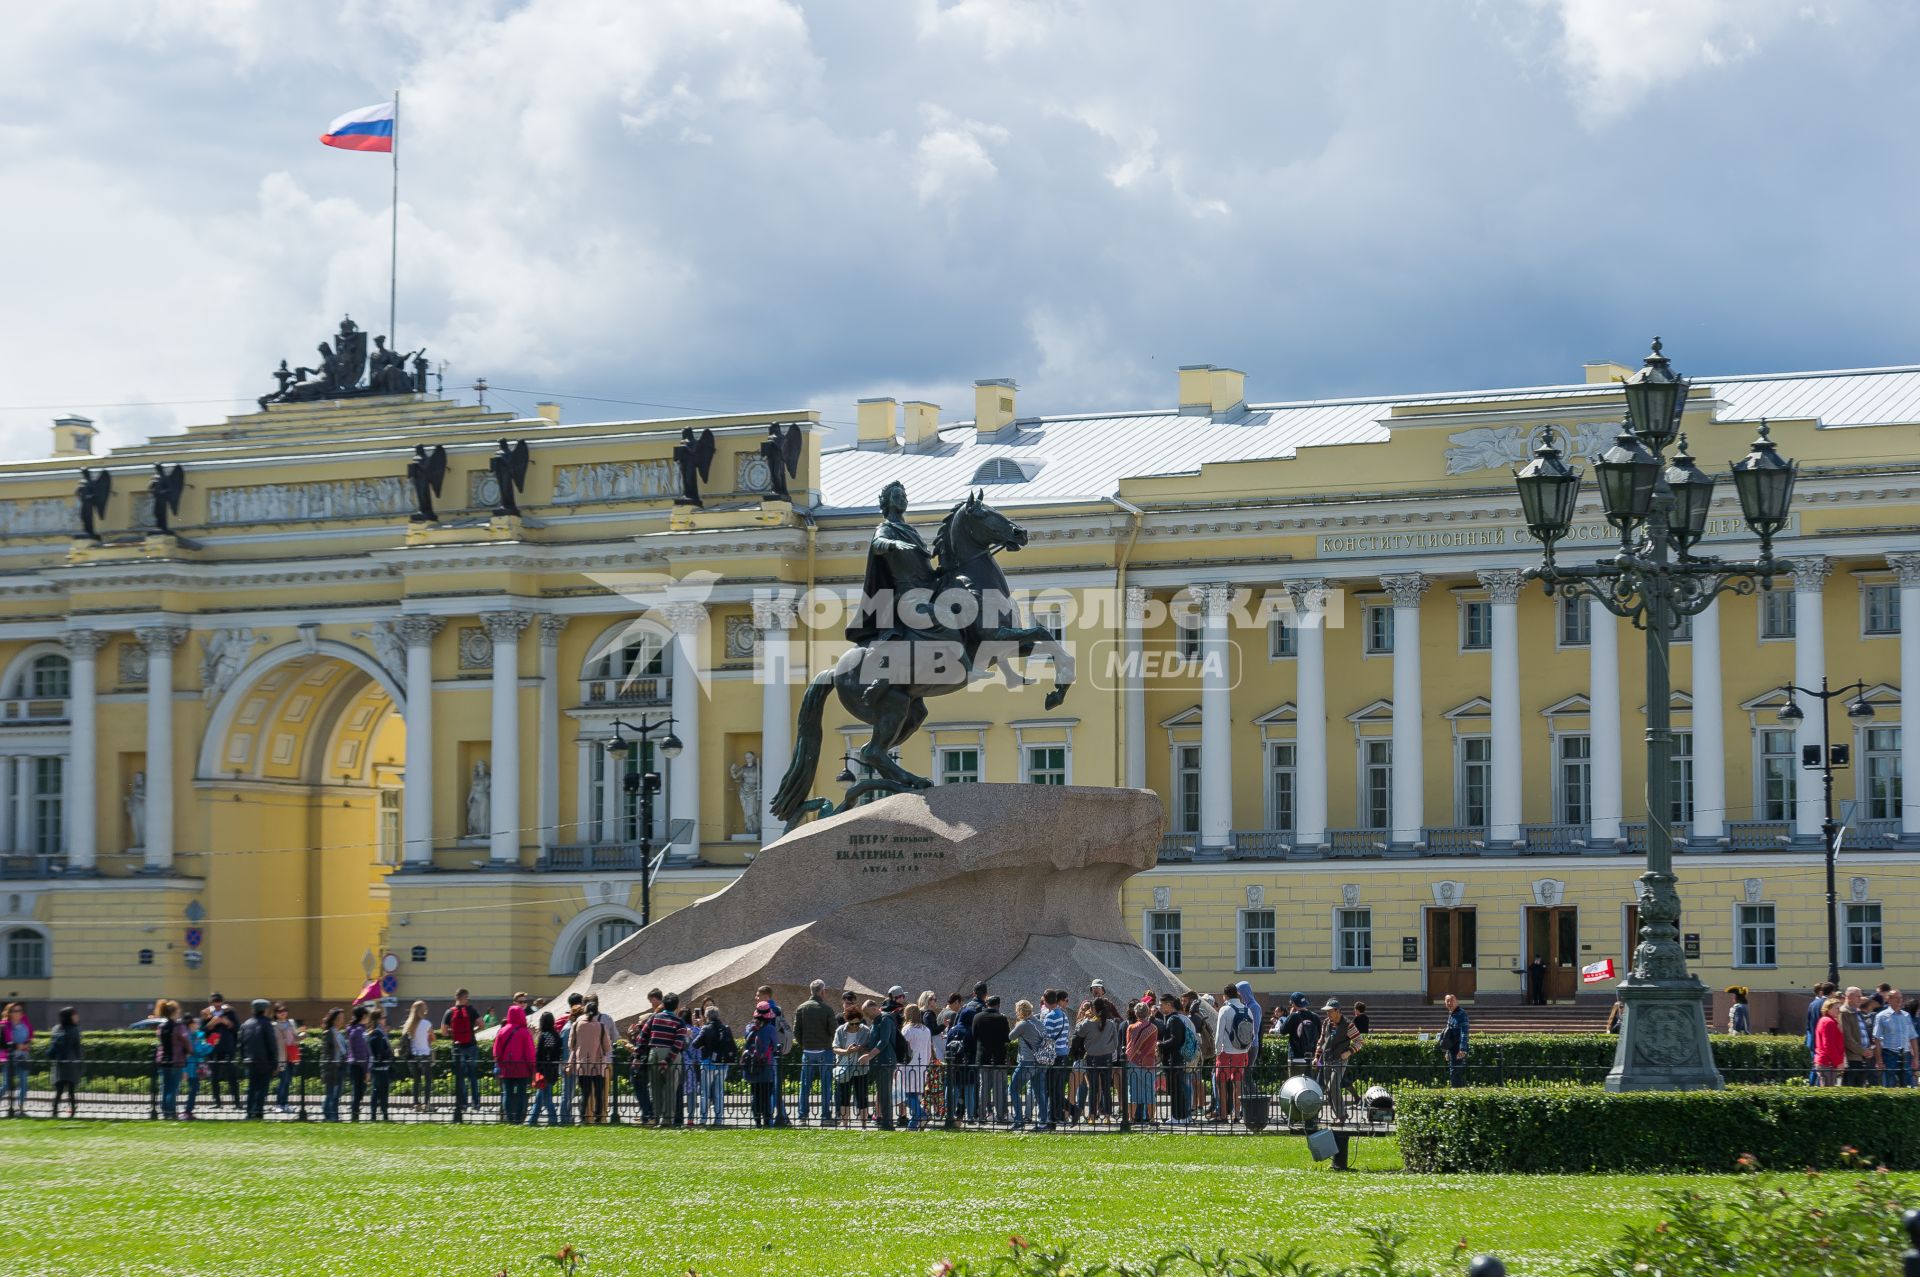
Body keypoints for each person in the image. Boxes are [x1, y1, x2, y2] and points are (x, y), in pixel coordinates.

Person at [640, 992, 690, 1127]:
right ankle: (667, 1120)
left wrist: (639, 1055)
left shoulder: (654, 1018)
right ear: (676, 1006)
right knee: (670, 1090)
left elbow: (642, 1036)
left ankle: (656, 1118)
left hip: (654, 1053)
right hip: (671, 1056)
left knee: (655, 1090)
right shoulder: (679, 1022)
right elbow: (678, 1043)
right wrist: (667, 1060)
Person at [794, 979, 837, 1126]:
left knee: (805, 1084)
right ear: (822, 992)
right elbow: (833, 1031)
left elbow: (796, 1031)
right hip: (824, 1050)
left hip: (808, 1050)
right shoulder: (827, 1010)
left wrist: (803, 1044)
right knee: (826, 1084)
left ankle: (802, 1116)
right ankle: (825, 1116)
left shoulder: (801, 1008)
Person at [1073, 997, 1123, 1124]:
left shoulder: (1088, 1023)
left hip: (1092, 1057)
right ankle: (1107, 1116)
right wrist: (1108, 1050)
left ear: (1094, 1009)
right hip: (1106, 1057)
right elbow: (1116, 1042)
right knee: (1106, 1088)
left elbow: (1078, 1031)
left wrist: (1085, 1018)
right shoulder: (1111, 1024)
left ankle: (1092, 1116)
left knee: (1093, 1089)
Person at [1214, 983, 1257, 1125]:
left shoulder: (1225, 1009)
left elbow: (1219, 1033)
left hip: (1226, 1051)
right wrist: (1245, 1048)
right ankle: (1237, 1114)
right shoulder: (1247, 1010)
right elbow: (1252, 1033)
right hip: (1242, 1051)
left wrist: (1217, 1051)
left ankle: (1223, 1115)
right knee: (1237, 1083)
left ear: (1225, 996)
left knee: (1222, 1083)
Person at [566, 997, 612, 1125]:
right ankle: (598, 1116)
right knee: (598, 1092)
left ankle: (582, 1117)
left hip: (583, 1063)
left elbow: (571, 1045)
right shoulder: (601, 1026)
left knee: (585, 1093)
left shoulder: (576, 1025)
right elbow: (607, 1046)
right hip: (598, 1063)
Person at [753, 983, 794, 1126]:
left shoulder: (766, 1010)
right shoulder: (778, 1009)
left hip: (768, 1054)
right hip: (776, 1052)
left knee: (770, 1087)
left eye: (758, 995)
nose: (756, 998)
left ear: (765, 995)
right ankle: (781, 1115)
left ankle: (770, 1117)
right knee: (775, 1086)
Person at [1313, 999, 1358, 1123]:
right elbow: (1322, 1041)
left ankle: (1341, 1116)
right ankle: (1341, 1114)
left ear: (1337, 1011)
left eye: (1329, 1011)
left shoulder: (1349, 1025)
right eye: (1326, 1012)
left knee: (1333, 1085)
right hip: (1327, 1059)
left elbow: (1360, 1041)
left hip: (1340, 1060)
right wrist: (1317, 1057)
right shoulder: (1326, 1023)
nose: (1327, 1014)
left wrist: (1349, 1052)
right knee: (1329, 1089)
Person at [1009, 999, 1050, 1130]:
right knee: (1040, 1092)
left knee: (1013, 1089)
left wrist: (1017, 1024)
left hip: (1027, 1062)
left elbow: (1011, 1036)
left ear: (1020, 1011)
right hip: (1041, 1062)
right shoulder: (1039, 1023)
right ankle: (1043, 1121)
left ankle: (1019, 1119)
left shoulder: (1023, 1024)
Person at [867, 987, 905, 1131]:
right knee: (888, 1088)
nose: (903, 999)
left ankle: (882, 1115)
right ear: (894, 998)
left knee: (886, 1088)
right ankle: (893, 1116)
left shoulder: (885, 1014)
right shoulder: (891, 1014)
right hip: (889, 1056)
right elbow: (885, 1040)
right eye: (900, 996)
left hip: (887, 1058)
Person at [442, 989, 482, 1122]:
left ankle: (463, 1103)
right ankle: (476, 1103)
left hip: (457, 1047)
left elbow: (443, 1032)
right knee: (472, 1075)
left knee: (460, 1077)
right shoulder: (471, 1010)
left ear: (456, 997)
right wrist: (472, 1031)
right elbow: (482, 1024)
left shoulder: (449, 1012)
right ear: (465, 997)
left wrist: (453, 1033)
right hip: (471, 1045)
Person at [239, 998, 283, 1120]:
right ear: (264, 1010)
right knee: (262, 1089)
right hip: (264, 1063)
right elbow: (271, 1045)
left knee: (252, 1088)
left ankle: (249, 1112)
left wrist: (244, 1059)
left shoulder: (246, 1024)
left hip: (250, 1062)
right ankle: (258, 1112)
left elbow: (241, 1045)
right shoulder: (266, 1024)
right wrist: (275, 1063)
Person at [492, 1003, 536, 1124]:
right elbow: (530, 1052)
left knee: (507, 1093)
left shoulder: (502, 1031)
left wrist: (500, 1063)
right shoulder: (524, 1032)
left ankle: (509, 1118)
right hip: (522, 1068)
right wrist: (532, 1067)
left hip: (506, 1067)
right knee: (522, 1093)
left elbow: (496, 1051)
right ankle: (519, 1118)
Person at [971, 994, 1011, 1125]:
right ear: (998, 1005)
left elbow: (974, 1035)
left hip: (983, 1057)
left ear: (986, 1004)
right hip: (998, 1057)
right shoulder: (1002, 1018)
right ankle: (1000, 1116)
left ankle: (982, 1115)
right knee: (999, 1087)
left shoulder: (977, 1017)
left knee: (984, 1087)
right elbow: (1007, 1038)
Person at [694, 1006, 737, 1125]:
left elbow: (695, 1044)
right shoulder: (725, 1028)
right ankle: (719, 1119)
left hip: (708, 1064)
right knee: (718, 1092)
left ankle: (703, 1118)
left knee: (705, 1092)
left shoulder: (706, 1028)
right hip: (723, 1064)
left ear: (706, 1016)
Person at [832, 1003, 871, 1127]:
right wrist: (847, 1051)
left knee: (862, 1097)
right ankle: (845, 1125)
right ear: (847, 1021)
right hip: (844, 1067)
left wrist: (861, 1049)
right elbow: (835, 1048)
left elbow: (870, 1047)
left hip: (860, 1067)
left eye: (857, 1023)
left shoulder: (865, 1030)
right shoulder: (840, 1030)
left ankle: (864, 1125)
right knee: (844, 1097)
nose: (855, 1026)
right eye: (852, 1023)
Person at [743, 1001, 780, 1126]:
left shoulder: (749, 1028)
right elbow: (774, 1047)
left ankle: (757, 1120)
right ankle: (767, 1119)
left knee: (755, 1093)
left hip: (752, 1066)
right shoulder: (770, 1029)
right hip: (766, 1066)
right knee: (766, 1094)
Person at [1041, 990, 1074, 1127]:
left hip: (1054, 1056)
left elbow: (1046, 1037)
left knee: (1051, 1089)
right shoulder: (1063, 1015)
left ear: (1045, 1001)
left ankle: (1072, 1111)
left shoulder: (1050, 1017)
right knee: (1057, 1088)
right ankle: (1054, 1117)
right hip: (1063, 1054)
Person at [1124, 1000, 1159, 1125]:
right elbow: (1153, 1045)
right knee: (1150, 1091)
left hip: (1133, 1062)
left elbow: (1129, 1046)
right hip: (1149, 1062)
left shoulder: (1131, 1027)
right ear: (1148, 1012)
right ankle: (1152, 1119)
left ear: (1136, 1013)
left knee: (1132, 1091)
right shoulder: (1154, 1028)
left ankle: (1131, 1118)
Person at [153, 1000, 189, 1120]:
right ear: (174, 1012)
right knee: (173, 1089)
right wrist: (189, 1051)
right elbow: (186, 1042)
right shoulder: (179, 1026)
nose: (179, 1012)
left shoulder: (161, 1026)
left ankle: (165, 1112)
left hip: (163, 1060)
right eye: (178, 1010)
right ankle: (171, 1112)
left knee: (165, 1087)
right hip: (176, 1060)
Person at [1873, 988, 1917, 1089]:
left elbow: (1913, 1037)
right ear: (1889, 1000)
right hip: (1889, 1054)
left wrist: (1916, 1058)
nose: (1899, 1001)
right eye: (1896, 998)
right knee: (1889, 1085)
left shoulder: (1906, 1016)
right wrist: (1879, 1060)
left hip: (1905, 1054)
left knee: (1907, 1085)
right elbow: (1877, 1039)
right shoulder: (1881, 1016)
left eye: (1900, 998)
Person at [200, 993, 237, 1109]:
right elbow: (201, 1032)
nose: (218, 1007)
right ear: (211, 1004)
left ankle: (237, 1102)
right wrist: (211, 1024)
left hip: (228, 1048)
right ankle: (217, 1102)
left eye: (219, 1004)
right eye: (215, 1005)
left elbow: (237, 1028)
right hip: (213, 1049)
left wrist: (228, 1023)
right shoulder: (206, 1014)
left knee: (232, 1075)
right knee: (214, 1077)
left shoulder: (230, 1012)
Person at [900, 1004, 933, 1130]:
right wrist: (927, 1062)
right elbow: (929, 1049)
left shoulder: (907, 1029)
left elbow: (903, 1049)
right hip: (922, 1064)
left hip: (909, 1065)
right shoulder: (926, 1030)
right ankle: (913, 1124)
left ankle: (921, 1114)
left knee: (907, 1094)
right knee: (916, 1095)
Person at [556, 993, 585, 1126]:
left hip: (570, 1064)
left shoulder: (569, 1027)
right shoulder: (569, 1028)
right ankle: (565, 1118)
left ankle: (567, 1117)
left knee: (569, 1092)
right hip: (569, 1065)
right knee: (567, 1093)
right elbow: (569, 1049)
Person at [47, 1006, 80, 1118]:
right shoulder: (74, 1030)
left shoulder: (56, 1029)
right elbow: (77, 1048)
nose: (77, 1016)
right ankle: (73, 1112)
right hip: (71, 1063)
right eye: (74, 1014)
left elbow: (52, 1044)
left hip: (59, 1063)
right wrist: (79, 1062)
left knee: (59, 1090)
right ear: (70, 1016)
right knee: (71, 1090)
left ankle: (55, 1111)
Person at [531, 1010, 563, 1126]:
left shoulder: (544, 1036)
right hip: (553, 1069)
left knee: (546, 1097)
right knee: (541, 1096)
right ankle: (532, 1119)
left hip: (544, 1070)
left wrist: (536, 1069)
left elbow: (539, 1054)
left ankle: (553, 1119)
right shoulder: (556, 1035)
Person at [400, 1000, 433, 1109]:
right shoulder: (426, 1024)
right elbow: (432, 1038)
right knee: (427, 1080)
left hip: (412, 1056)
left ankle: (416, 1103)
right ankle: (426, 1103)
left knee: (416, 1080)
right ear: (423, 1010)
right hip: (424, 1054)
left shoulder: (408, 1025)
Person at [1, 1003, 31, 1117]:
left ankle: (21, 1109)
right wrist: (17, 1046)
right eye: (15, 1010)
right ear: (10, 1013)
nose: (18, 1013)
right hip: (9, 1058)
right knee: (7, 1085)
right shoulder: (4, 1025)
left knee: (23, 1083)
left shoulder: (24, 1025)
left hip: (23, 1058)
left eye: (20, 1010)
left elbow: (28, 1038)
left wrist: (27, 1045)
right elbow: (4, 1043)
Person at [1280, 993, 1320, 1076]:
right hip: (1311, 1057)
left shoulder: (1293, 1016)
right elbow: (1319, 1036)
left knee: (1296, 1084)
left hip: (1295, 1057)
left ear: (1293, 1004)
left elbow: (1282, 1031)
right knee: (1310, 1084)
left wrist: (1290, 1015)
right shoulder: (1316, 1017)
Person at [1840, 986, 1873, 1087]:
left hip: (1862, 1057)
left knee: (1860, 1088)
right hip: (1852, 1058)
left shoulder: (1857, 1012)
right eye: (1857, 996)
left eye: (1861, 996)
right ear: (1849, 997)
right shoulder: (1844, 1013)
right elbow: (1847, 1038)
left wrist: (1869, 1049)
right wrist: (1863, 1051)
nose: (1860, 999)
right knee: (1850, 1088)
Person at [367, 1006, 395, 1121]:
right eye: (383, 1017)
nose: (385, 1020)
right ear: (379, 1019)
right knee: (381, 1091)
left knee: (377, 1091)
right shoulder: (378, 1032)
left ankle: (376, 1114)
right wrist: (387, 1054)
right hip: (381, 1066)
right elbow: (379, 1050)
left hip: (379, 1066)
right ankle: (382, 1115)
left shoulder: (376, 1032)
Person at [319, 1008, 347, 1122]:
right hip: (331, 1067)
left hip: (339, 1066)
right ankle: (327, 1115)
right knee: (330, 1093)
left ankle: (334, 1116)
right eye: (339, 1018)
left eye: (342, 1018)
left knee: (336, 1094)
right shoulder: (329, 1033)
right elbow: (326, 1052)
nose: (342, 1020)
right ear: (334, 1019)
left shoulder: (338, 1033)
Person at [272, 1004, 301, 1113]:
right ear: (275, 1013)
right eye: (279, 1011)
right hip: (282, 1056)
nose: (282, 1013)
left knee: (288, 1081)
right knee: (283, 1080)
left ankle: (285, 1103)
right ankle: (280, 1103)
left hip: (291, 1055)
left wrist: (300, 1037)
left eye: (284, 1010)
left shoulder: (291, 1023)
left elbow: (295, 1037)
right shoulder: (274, 1025)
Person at [1813, 996, 1846, 1087]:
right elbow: (1828, 1045)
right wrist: (1838, 1062)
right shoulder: (1828, 1022)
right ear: (1828, 1009)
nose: (1839, 1011)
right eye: (1837, 1008)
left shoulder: (1826, 1020)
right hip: (1828, 1063)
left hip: (1826, 1062)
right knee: (1828, 1091)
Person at [346, 1006, 372, 1121]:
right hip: (359, 1065)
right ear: (364, 1016)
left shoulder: (355, 1029)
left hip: (354, 1064)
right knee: (359, 1091)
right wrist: (366, 1071)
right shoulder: (359, 1031)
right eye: (367, 1016)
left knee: (357, 1090)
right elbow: (362, 1053)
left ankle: (354, 1111)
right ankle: (354, 1114)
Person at [1440, 993, 1469, 1087]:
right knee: (1453, 1074)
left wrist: (1462, 1049)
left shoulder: (1461, 1014)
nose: (1449, 1003)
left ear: (1457, 1002)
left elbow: (1464, 1033)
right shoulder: (1451, 1014)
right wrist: (1447, 1052)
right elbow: (1449, 1036)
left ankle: (1458, 1095)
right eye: (1447, 1001)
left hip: (1458, 1050)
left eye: (1452, 1001)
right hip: (1452, 1049)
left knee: (1457, 1075)